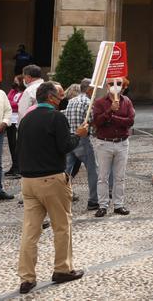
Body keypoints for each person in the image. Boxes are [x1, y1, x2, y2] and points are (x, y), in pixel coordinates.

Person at [17, 80, 86, 295]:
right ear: (50, 98)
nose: (61, 99)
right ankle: (62, 269)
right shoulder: (57, 117)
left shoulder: (26, 119)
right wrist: (79, 135)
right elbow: (65, 146)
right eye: (59, 95)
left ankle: (27, 278)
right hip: (51, 179)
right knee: (62, 226)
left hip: (28, 181)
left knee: (30, 231)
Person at [91, 76, 134, 217]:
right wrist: (110, 110)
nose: (115, 86)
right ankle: (102, 205)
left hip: (122, 143)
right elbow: (97, 121)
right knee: (103, 176)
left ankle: (118, 205)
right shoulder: (99, 102)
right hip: (104, 143)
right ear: (107, 86)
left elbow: (130, 121)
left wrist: (113, 118)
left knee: (120, 176)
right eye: (111, 83)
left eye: (119, 83)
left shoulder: (126, 101)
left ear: (123, 85)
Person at [63, 79, 99, 210]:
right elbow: (90, 121)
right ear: (90, 89)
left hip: (69, 138)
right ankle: (93, 200)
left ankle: (61, 197)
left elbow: (65, 117)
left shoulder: (71, 101)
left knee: (66, 170)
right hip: (82, 140)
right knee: (92, 170)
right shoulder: (88, 103)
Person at [6, 73, 26, 177]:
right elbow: (7, 100)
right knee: (11, 144)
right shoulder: (13, 91)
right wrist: (11, 103)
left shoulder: (25, 93)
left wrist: (10, 103)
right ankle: (14, 165)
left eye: (16, 81)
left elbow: (19, 105)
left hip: (18, 120)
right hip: (10, 120)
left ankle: (19, 167)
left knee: (18, 145)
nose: (14, 83)